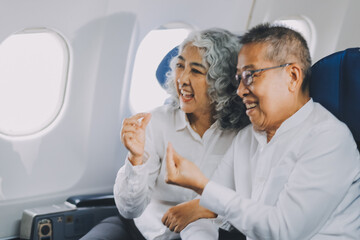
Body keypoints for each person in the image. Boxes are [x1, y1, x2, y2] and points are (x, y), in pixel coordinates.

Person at [165, 23, 360, 240]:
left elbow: (282, 231)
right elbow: (204, 212)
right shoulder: (246, 139)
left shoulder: (328, 139)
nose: (239, 91)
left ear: (292, 77)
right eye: (239, 79)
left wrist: (203, 186)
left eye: (250, 75)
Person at [80, 28, 249, 240]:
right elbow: (130, 210)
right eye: (180, 66)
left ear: (221, 81)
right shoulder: (156, 122)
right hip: (140, 229)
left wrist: (209, 207)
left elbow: (249, 206)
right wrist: (135, 158)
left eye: (196, 71)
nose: (183, 79)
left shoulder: (242, 135)